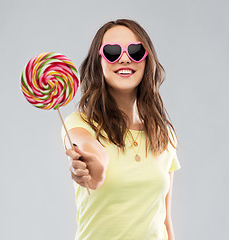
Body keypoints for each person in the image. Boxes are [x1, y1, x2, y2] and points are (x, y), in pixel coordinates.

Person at [61, 19, 181, 240]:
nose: (125, 57)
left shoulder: (164, 135)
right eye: (112, 51)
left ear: (147, 60)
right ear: (98, 61)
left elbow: (164, 219)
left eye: (135, 51)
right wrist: (92, 162)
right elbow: (84, 145)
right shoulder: (78, 123)